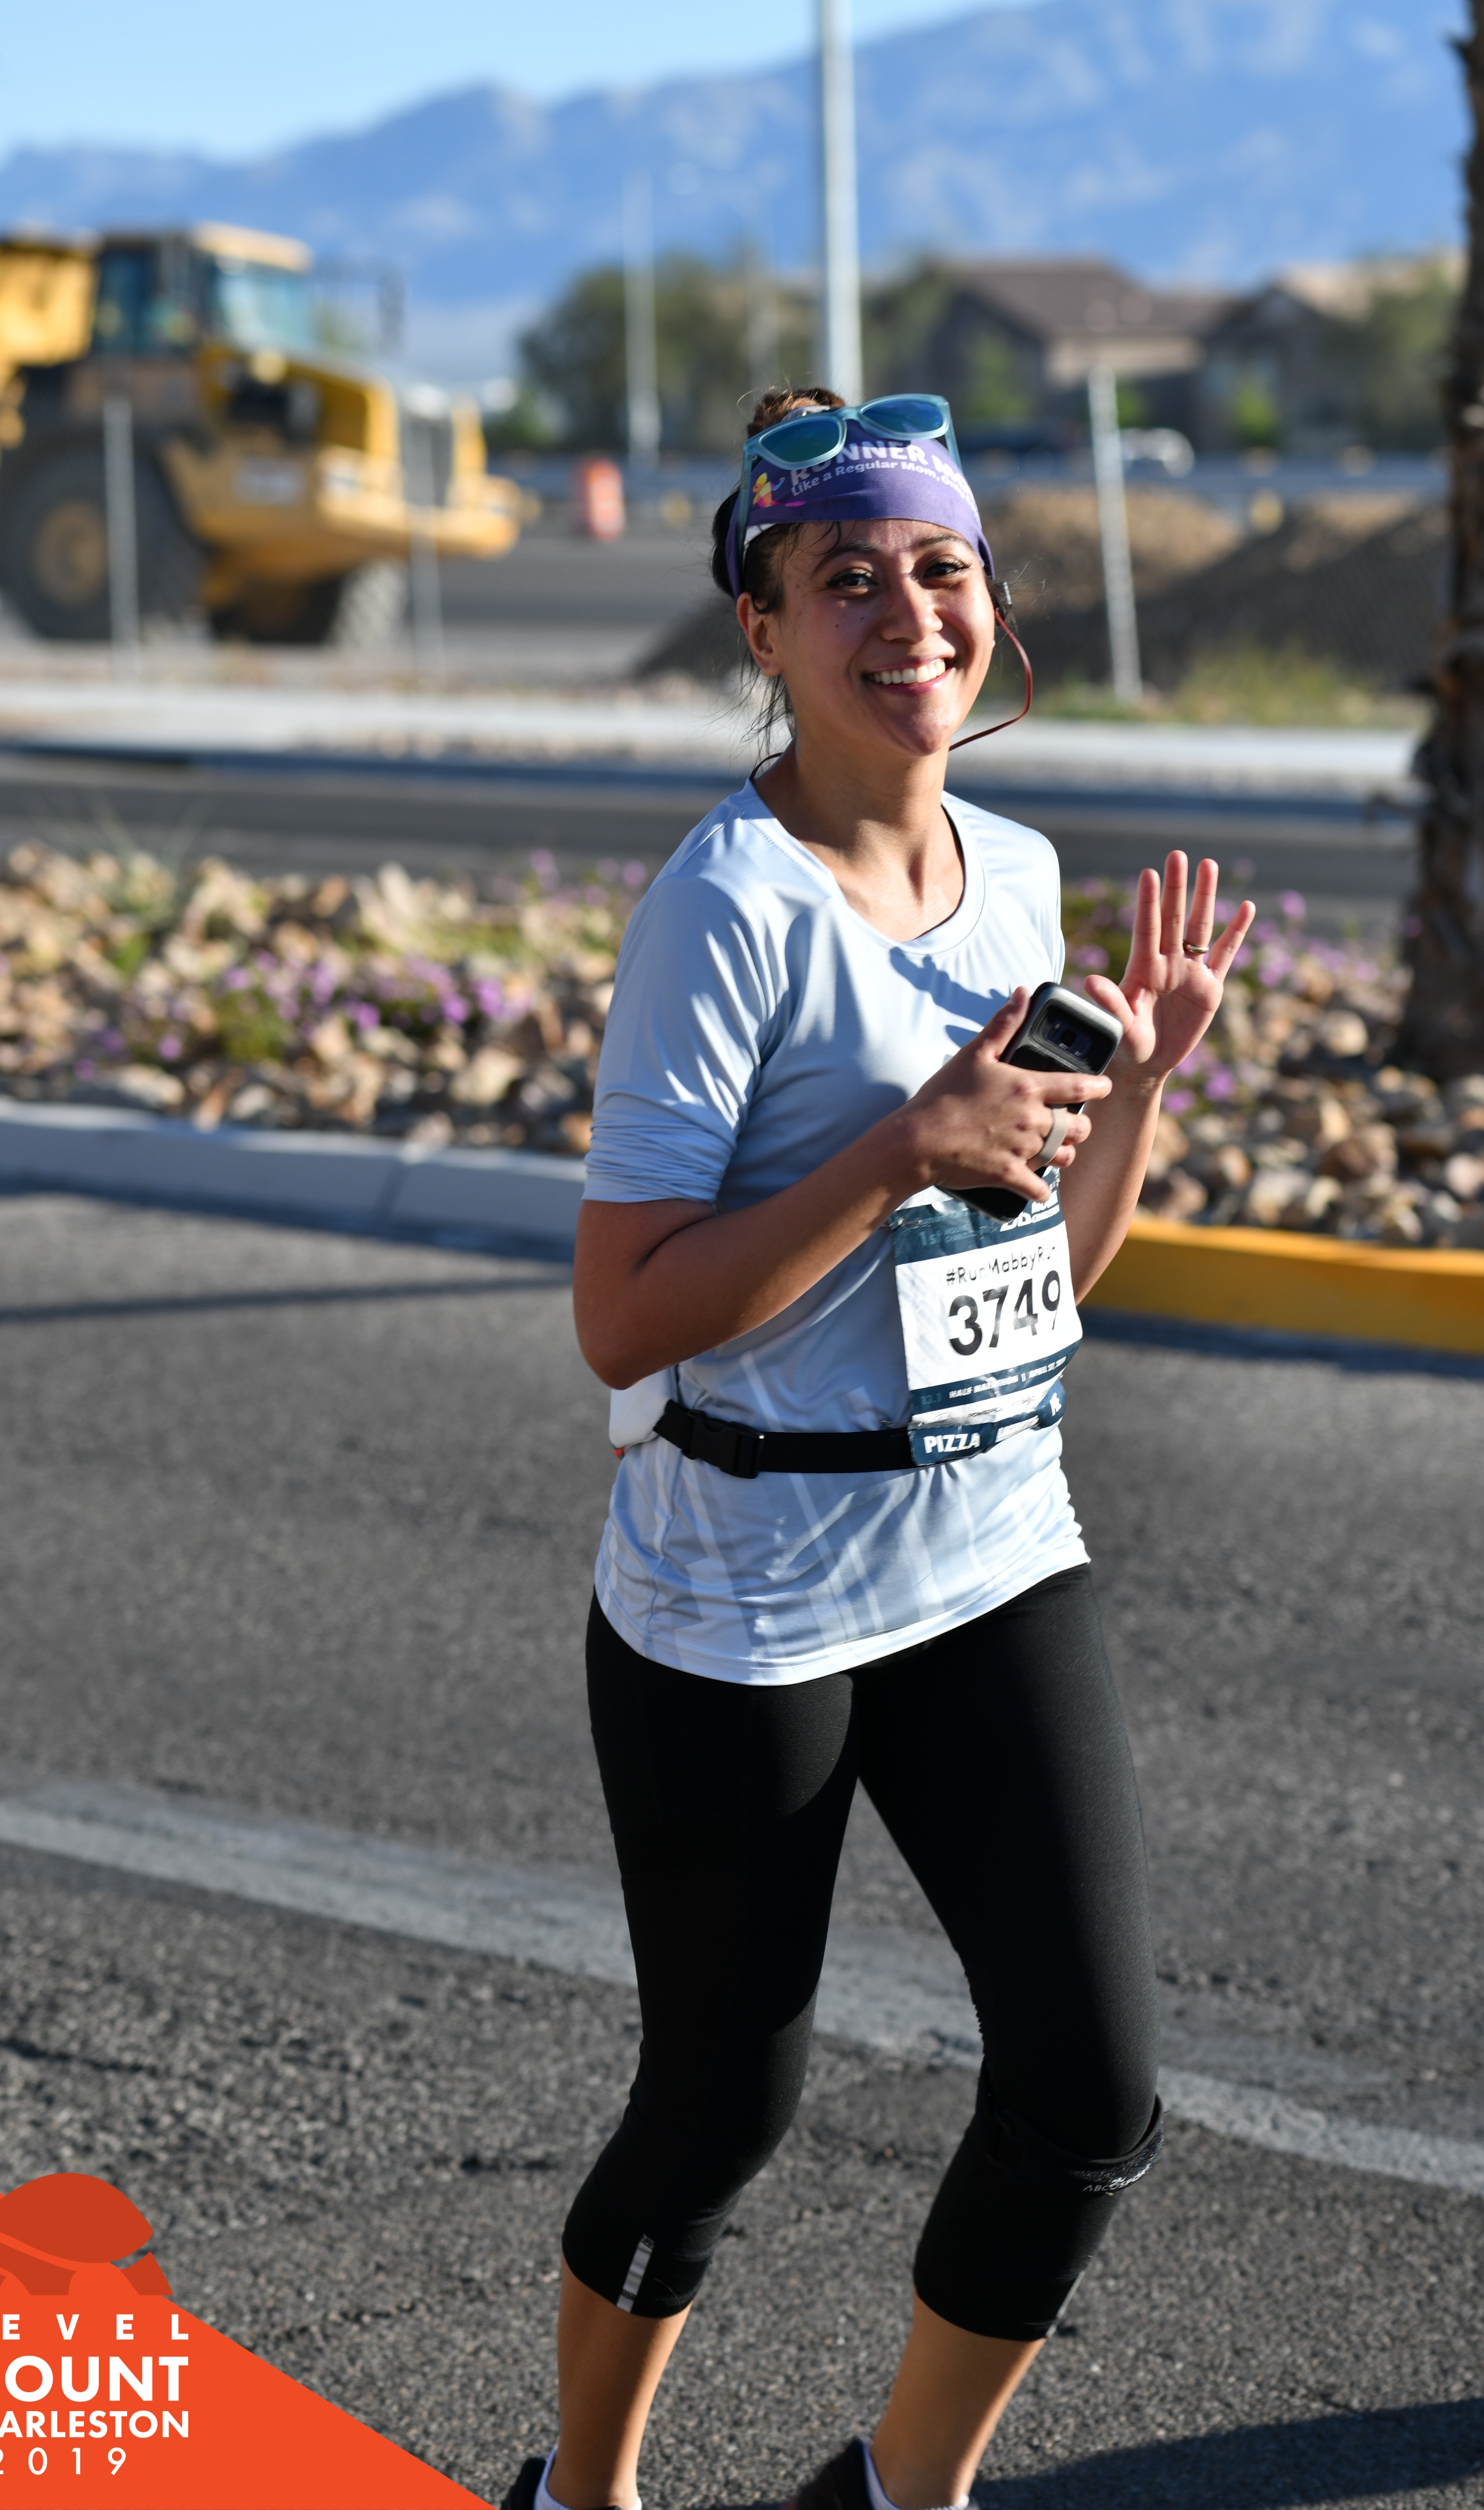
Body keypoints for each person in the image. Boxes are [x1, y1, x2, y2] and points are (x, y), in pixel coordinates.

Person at [502, 387, 1252, 2510]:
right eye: (847, 580)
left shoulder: (1015, 872)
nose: (907, 611)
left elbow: (1049, 1276)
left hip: (991, 1541)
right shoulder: (727, 908)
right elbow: (624, 1317)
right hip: (745, 1596)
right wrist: (902, 1142)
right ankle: (580, 2498)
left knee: (1092, 2093)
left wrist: (1137, 1092)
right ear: (763, 632)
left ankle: (896, 2498)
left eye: (940, 568)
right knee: (718, 2115)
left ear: (990, 605)